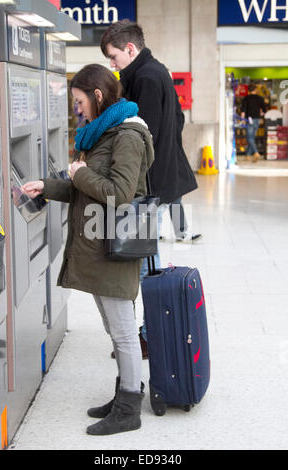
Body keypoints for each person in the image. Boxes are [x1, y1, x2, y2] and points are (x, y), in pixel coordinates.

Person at [21, 64, 155, 436]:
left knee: (124, 329)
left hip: (115, 243)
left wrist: (79, 174)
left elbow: (120, 193)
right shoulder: (101, 133)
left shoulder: (127, 135)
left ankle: (130, 408)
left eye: (80, 101)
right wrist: (47, 187)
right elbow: (85, 187)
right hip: (98, 244)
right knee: (113, 325)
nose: (77, 109)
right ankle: (124, 392)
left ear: (97, 96)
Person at [101, 20, 200, 358]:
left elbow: (142, 138)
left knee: (145, 261)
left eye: (114, 57)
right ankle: (149, 331)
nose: (112, 65)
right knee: (148, 257)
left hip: (148, 185)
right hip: (158, 180)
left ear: (130, 49)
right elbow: (178, 122)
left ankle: (149, 333)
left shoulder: (144, 78)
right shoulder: (157, 72)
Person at [241, 83, 267, 162]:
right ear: (255, 89)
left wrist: (242, 120)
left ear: (248, 90)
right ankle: (248, 155)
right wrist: (260, 114)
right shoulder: (260, 98)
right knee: (251, 137)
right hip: (257, 120)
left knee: (249, 138)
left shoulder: (246, 98)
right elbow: (264, 111)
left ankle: (256, 152)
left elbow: (243, 111)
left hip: (249, 120)